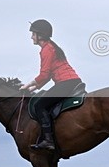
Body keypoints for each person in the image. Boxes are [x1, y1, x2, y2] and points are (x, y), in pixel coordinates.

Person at [20, 19, 84, 150]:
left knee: (39, 105)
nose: (31, 37)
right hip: (71, 82)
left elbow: (43, 74)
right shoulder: (51, 47)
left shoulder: (46, 49)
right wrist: (33, 87)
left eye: (33, 34)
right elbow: (48, 76)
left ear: (40, 35)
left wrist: (27, 85)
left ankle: (48, 140)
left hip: (66, 83)